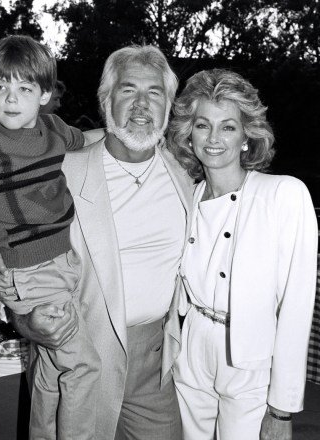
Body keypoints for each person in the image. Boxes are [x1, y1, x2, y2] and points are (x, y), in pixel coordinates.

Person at [11, 44, 195, 439]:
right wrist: (23, 319)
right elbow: (14, 253)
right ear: (106, 101)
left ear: (169, 106)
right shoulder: (60, 173)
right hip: (78, 359)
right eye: (128, 90)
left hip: (152, 363)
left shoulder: (184, 175)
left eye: (155, 93)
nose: (142, 105)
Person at [0, 35, 102, 440]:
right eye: (1, 87)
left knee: (48, 366)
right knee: (83, 365)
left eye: (24, 88)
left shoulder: (52, 130)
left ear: (45, 94)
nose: (11, 99)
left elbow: (91, 140)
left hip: (64, 260)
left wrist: (131, 136)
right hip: (29, 270)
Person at [167, 68, 318, 440]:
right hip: (190, 351)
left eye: (228, 127)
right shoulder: (183, 195)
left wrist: (281, 409)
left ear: (247, 137)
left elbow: (297, 306)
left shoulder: (283, 194)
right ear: (189, 133)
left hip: (251, 357)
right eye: (203, 125)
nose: (214, 139)